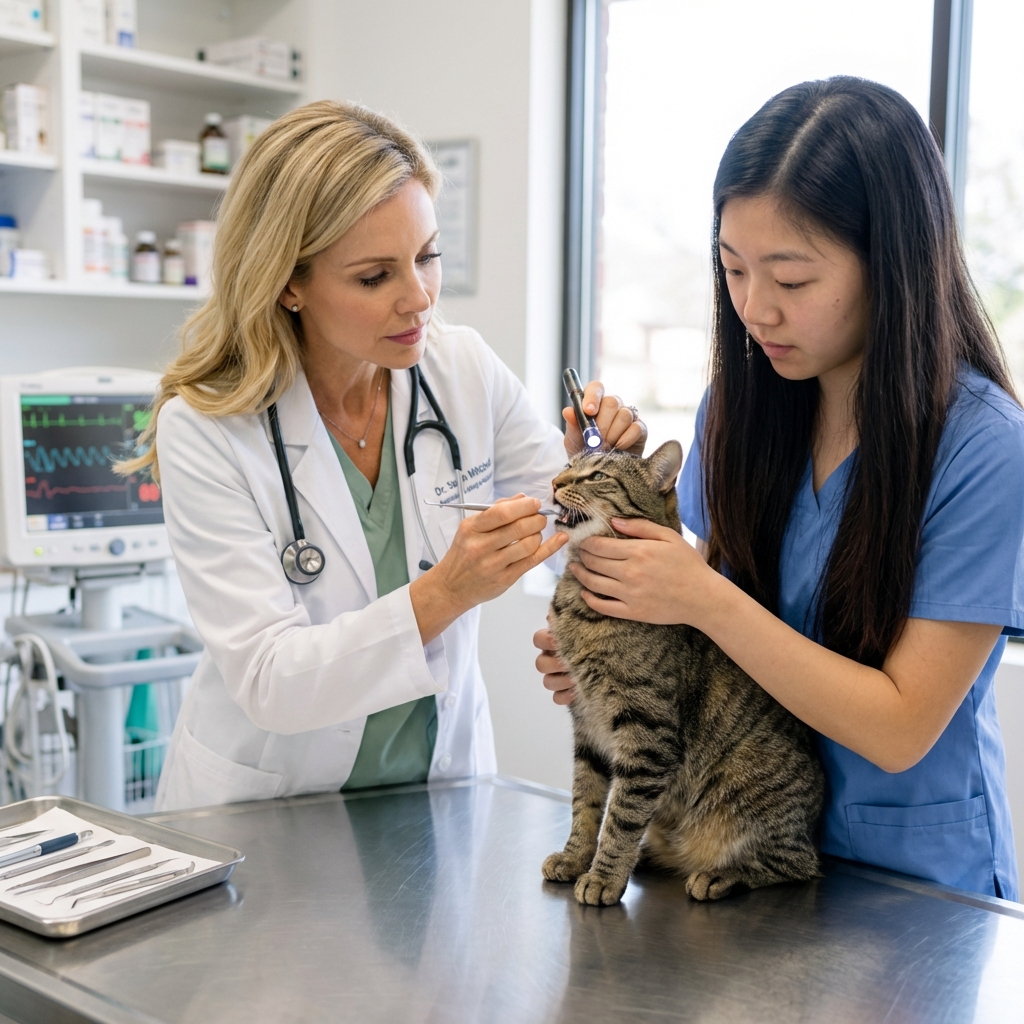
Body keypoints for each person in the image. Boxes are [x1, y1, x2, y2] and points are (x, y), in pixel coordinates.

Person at [535, 77, 1024, 900]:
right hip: (731, 858)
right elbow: (709, 643)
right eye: (733, 270)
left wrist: (699, 600)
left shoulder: (985, 450)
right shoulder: (740, 408)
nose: (756, 310)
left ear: (892, 264)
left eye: (791, 280)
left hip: (916, 885)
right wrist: (615, 649)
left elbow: (902, 727)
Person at [121, 100, 645, 811]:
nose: (420, 299)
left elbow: (566, 533)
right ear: (289, 282)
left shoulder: (461, 371)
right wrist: (447, 593)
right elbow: (270, 679)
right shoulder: (208, 429)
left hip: (437, 794)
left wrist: (616, 482)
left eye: (427, 256)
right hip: (271, 812)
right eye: (375, 277)